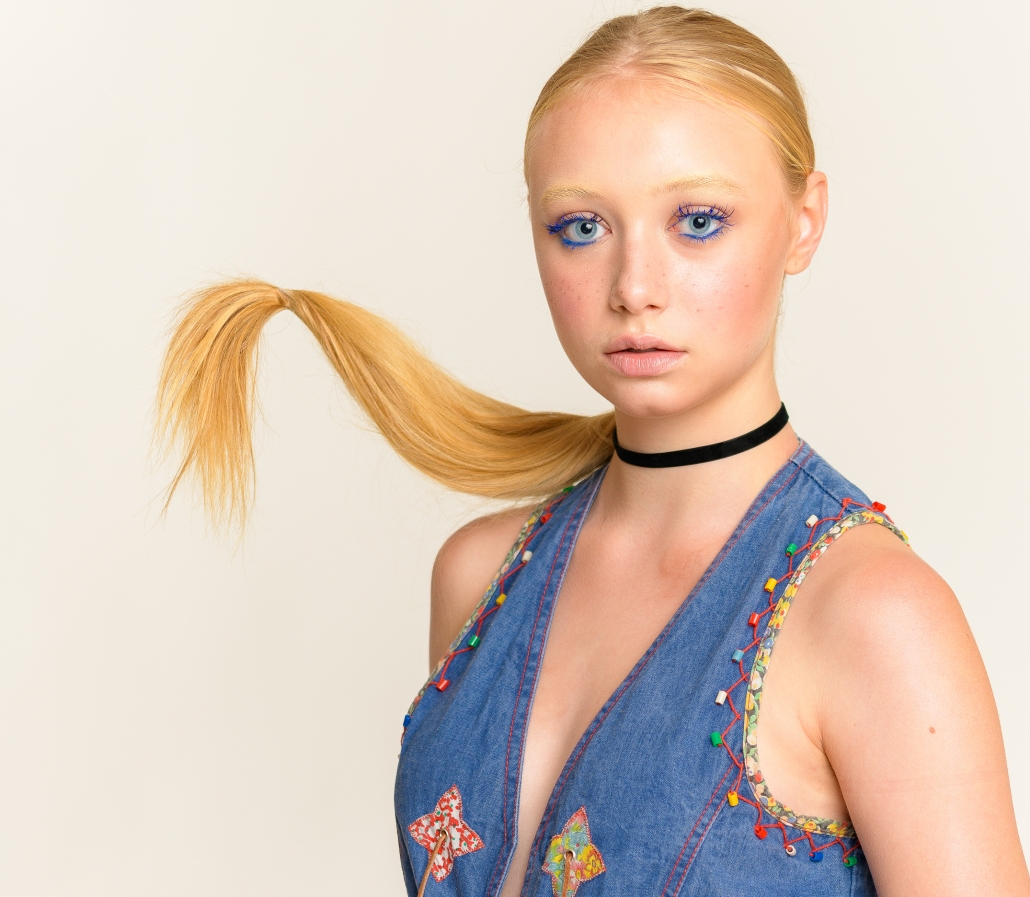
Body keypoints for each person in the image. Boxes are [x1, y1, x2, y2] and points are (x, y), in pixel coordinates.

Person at [155, 7, 1030, 896]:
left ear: (804, 222)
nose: (633, 288)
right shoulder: (479, 575)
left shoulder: (873, 617)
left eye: (697, 220)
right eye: (581, 227)